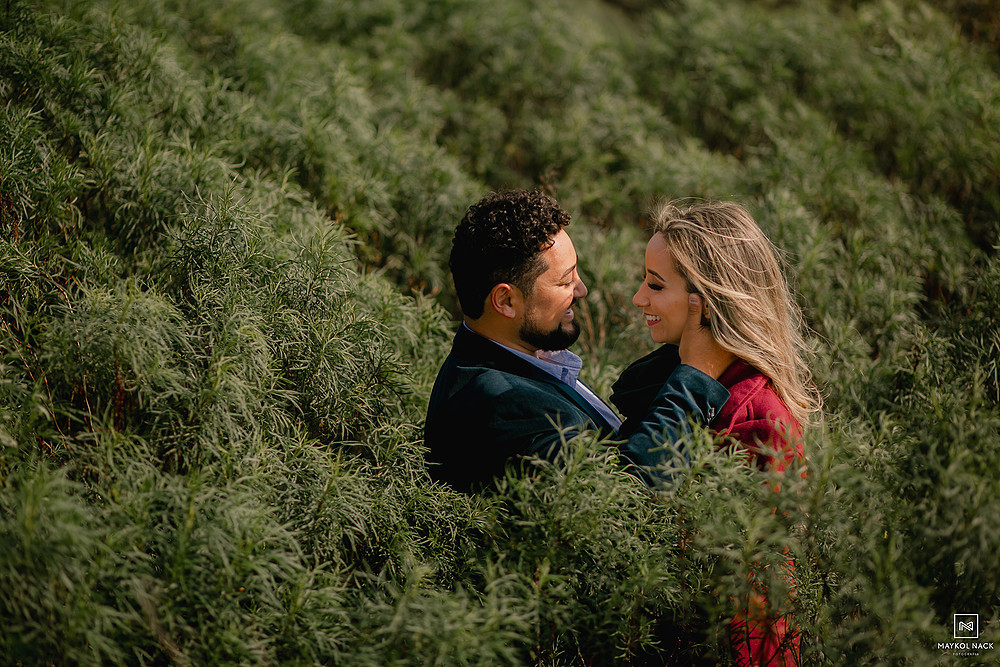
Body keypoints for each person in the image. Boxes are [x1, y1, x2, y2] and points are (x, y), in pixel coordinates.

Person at [611, 199, 820, 667]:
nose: (638, 299)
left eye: (655, 285)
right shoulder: (677, 376)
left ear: (702, 302)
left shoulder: (757, 419)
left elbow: (758, 597)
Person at [424, 189, 734, 493]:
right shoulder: (501, 404)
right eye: (565, 280)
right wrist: (697, 376)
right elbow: (624, 503)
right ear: (505, 300)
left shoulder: (517, 363)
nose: (582, 290)